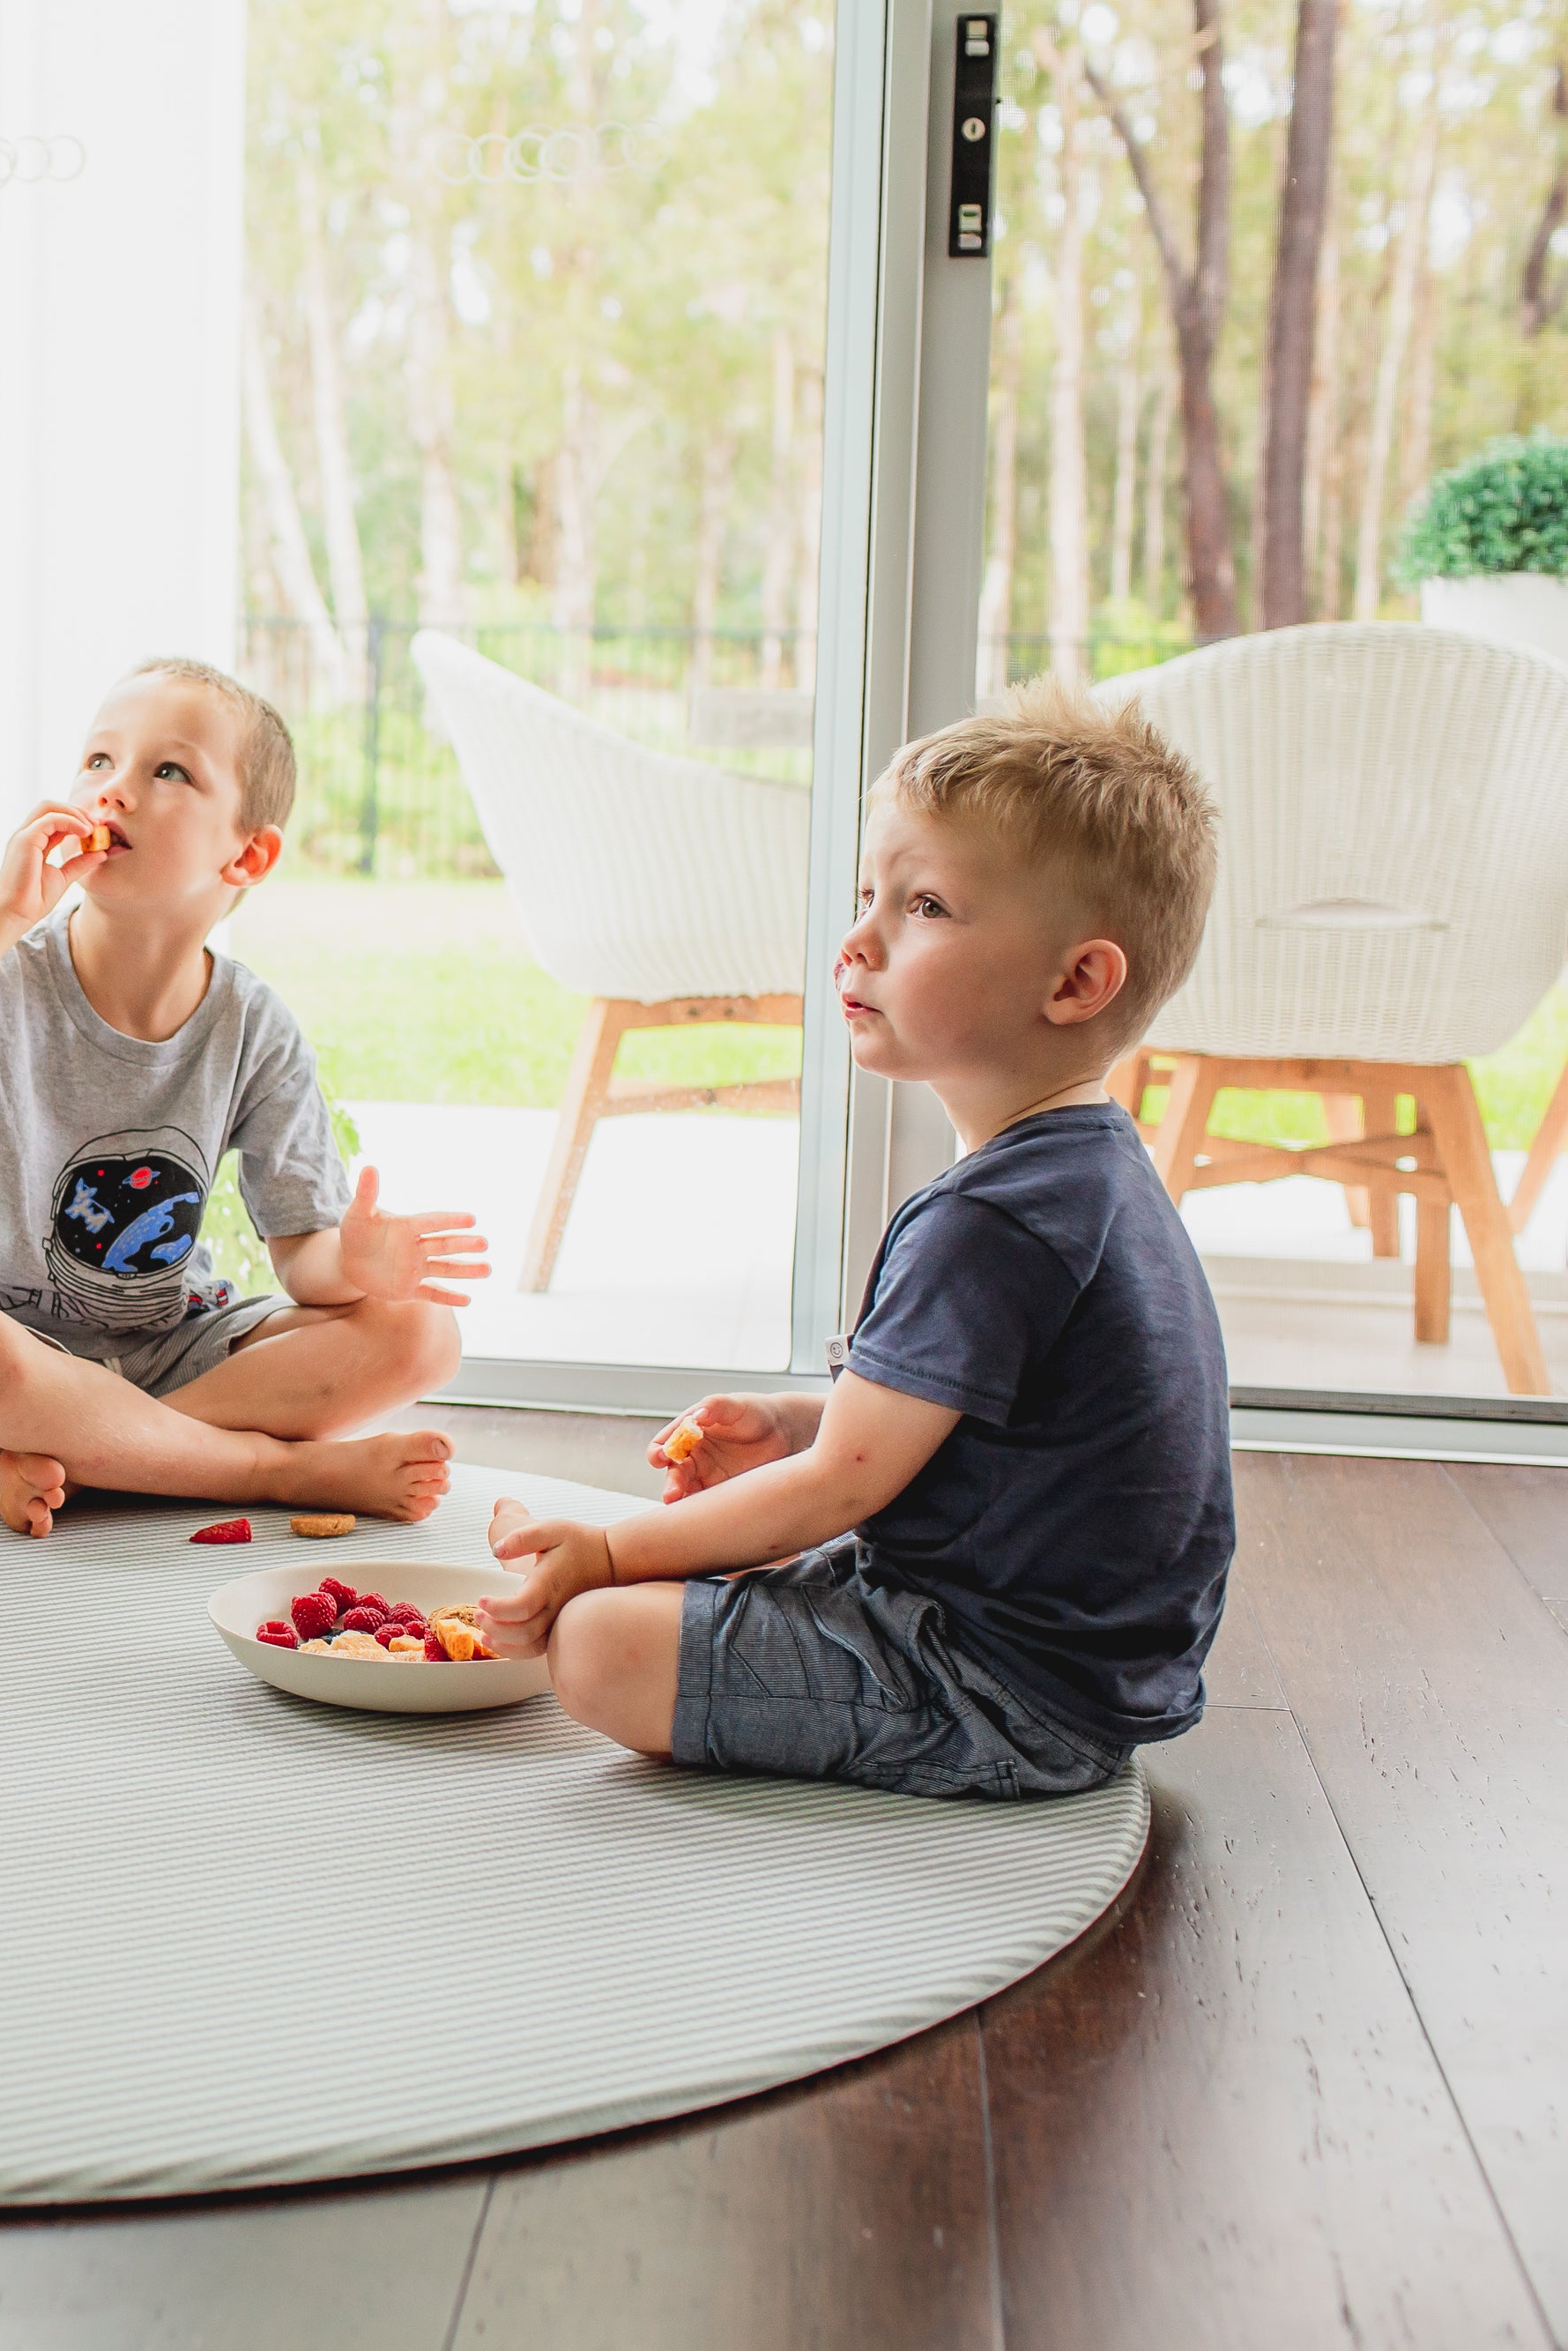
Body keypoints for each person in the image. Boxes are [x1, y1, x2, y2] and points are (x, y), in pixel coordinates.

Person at [477, 677, 1230, 1798]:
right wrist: (792, 1419)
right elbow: (966, 1421)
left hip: (996, 1686)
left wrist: (604, 1549)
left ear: (1075, 981)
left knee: (594, 1641)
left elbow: (840, 1490)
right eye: (866, 892)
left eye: (922, 908)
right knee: (708, 1566)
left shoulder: (989, 1220)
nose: (857, 940)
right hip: (1077, 1664)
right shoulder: (1088, 1171)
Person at [0, 656, 487, 1539]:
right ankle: (263, 1469)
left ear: (247, 853)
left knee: (420, 1332)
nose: (114, 791)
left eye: (166, 771)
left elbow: (303, 1261)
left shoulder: (255, 1027)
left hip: (170, 1349)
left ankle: (96, 1456)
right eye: (98, 761)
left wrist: (357, 1269)